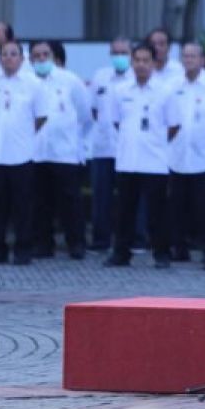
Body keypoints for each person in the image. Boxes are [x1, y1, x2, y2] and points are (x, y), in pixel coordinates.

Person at [105, 42, 181, 268]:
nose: (141, 65)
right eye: (137, 60)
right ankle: (121, 253)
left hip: (155, 160)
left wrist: (155, 141)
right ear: (131, 62)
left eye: (145, 60)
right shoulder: (120, 90)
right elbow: (117, 122)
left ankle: (162, 253)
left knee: (157, 212)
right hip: (127, 159)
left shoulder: (165, 90)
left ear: (153, 63)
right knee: (124, 211)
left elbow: (174, 125)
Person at [0, 40, 49, 265]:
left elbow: (41, 117)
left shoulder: (33, 84)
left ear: (22, 58)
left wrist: (23, 135)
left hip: (21, 155)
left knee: (23, 207)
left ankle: (23, 249)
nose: (8, 58)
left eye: (13, 54)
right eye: (4, 54)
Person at [31, 40, 92, 259]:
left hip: (65, 152)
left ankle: (76, 244)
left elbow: (85, 115)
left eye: (44, 54)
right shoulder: (28, 81)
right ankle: (43, 245)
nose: (40, 59)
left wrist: (75, 140)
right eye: (36, 55)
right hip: (37, 152)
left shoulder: (70, 80)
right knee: (40, 202)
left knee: (70, 202)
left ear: (53, 56)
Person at [167, 42, 205, 262]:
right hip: (178, 154)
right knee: (177, 207)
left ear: (202, 60)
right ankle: (179, 249)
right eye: (185, 57)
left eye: (193, 56)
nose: (188, 60)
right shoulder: (173, 84)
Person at [86, 36, 134, 251]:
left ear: (131, 54)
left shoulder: (137, 78)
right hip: (103, 147)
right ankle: (100, 240)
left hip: (130, 150)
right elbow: (94, 110)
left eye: (124, 53)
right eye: (115, 53)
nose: (119, 57)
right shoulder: (100, 76)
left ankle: (134, 240)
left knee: (130, 200)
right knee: (101, 198)